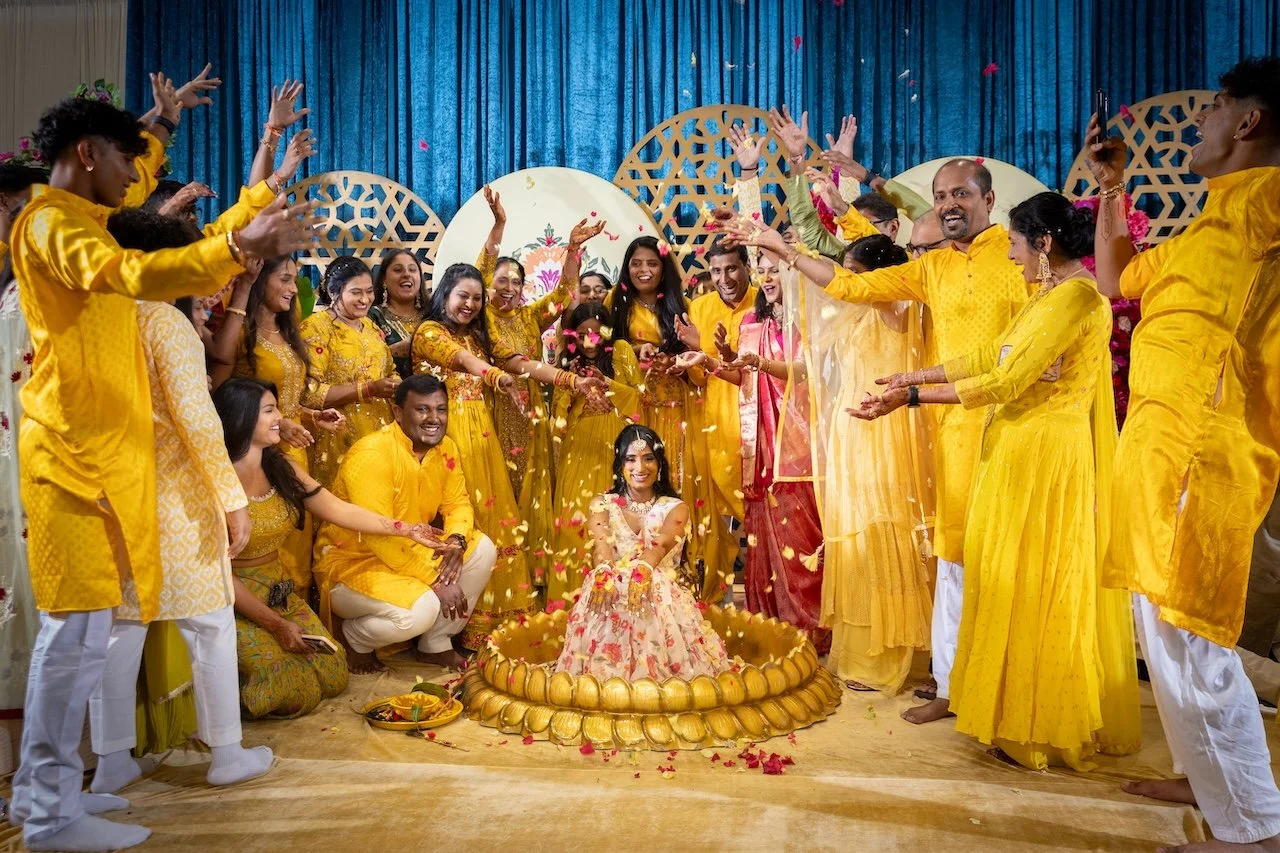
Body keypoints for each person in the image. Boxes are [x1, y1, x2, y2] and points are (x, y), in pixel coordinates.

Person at [6, 91, 313, 852]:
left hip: (108, 469)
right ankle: (45, 813)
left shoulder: (89, 215)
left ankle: (58, 798)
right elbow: (135, 270)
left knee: (89, 639)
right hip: (72, 465)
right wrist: (241, 247)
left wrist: (166, 124)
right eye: (122, 158)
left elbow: (151, 213)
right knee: (72, 638)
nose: (135, 175)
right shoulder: (54, 227)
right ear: (86, 154)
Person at [727, 144, 1032, 724]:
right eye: (941, 196)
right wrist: (784, 248)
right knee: (951, 559)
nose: (947, 206)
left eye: (960, 195)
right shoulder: (931, 268)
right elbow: (849, 282)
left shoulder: (1014, 260)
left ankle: (1004, 680)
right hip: (940, 424)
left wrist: (844, 177)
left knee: (999, 556)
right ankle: (951, 682)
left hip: (1006, 422)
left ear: (990, 200)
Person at [852, 192, 1142, 769]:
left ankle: (1038, 728)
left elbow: (1005, 380)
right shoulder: (1049, 296)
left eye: (1014, 243)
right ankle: (1014, 720)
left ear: (1043, 242)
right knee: (1007, 584)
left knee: (1033, 587)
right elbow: (990, 353)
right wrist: (911, 373)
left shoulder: (1076, 298)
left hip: (1042, 460)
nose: (1009, 256)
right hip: (1015, 452)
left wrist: (908, 398)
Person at [1088, 56, 1280, 850]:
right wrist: (1110, 186)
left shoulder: (1267, 201)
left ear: (1246, 123)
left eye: (1213, 108)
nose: (1197, 126)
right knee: (1162, 627)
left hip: (1206, 453)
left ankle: (1257, 831)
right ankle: (1209, 780)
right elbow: (1115, 277)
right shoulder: (1207, 221)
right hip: (1160, 453)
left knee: (1192, 634)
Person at [77, 208, 281, 802]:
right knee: (209, 625)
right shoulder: (165, 324)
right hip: (176, 499)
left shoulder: (96, 317)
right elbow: (196, 421)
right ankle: (226, 753)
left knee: (121, 629)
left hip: (114, 496)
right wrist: (230, 499)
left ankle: (113, 760)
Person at [214, 378, 441, 716]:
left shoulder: (282, 466)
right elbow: (218, 572)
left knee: (333, 671)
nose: (282, 417)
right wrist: (276, 625)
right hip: (233, 599)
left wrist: (405, 529)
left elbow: (338, 509)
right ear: (241, 417)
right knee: (284, 680)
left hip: (277, 590)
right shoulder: (216, 480)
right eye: (270, 410)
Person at [411, 263, 604, 645]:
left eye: (475, 299)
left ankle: (477, 623)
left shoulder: (483, 338)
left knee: (492, 524)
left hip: (483, 434)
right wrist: (494, 376)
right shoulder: (430, 333)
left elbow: (521, 363)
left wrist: (572, 380)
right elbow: (462, 360)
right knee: (454, 526)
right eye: (462, 296)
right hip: (446, 437)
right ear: (445, 294)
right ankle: (434, 630)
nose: (468, 304)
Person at [674, 249, 829, 652]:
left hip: (797, 445)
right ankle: (772, 625)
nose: (769, 278)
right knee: (763, 534)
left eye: (774, 270)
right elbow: (742, 376)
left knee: (800, 536)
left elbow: (812, 374)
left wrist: (758, 362)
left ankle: (809, 630)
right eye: (764, 271)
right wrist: (709, 360)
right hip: (758, 445)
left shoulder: (810, 320)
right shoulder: (752, 321)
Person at [314, 374, 498, 673]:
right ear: (398, 412)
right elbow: (378, 536)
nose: (433, 419)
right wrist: (438, 581)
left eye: (440, 409)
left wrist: (456, 541)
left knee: (483, 550)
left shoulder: (446, 448)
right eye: (422, 409)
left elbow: (457, 504)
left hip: (412, 550)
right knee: (421, 609)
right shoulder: (372, 453)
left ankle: (435, 644)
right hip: (354, 562)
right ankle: (354, 639)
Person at [475, 194, 605, 589]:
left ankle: (529, 577)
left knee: (531, 492)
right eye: (502, 281)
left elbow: (566, 294)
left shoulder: (530, 316)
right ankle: (497, 581)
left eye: (517, 281)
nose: (510, 288)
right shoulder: (483, 319)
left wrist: (573, 249)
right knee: (498, 493)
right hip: (494, 409)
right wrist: (497, 228)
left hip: (531, 414)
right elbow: (479, 274)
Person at [607, 236, 735, 602]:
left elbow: (705, 366)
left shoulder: (687, 307)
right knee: (641, 487)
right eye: (636, 263)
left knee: (684, 489)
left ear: (664, 269)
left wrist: (687, 354)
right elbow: (601, 350)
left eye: (652, 263)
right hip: (636, 413)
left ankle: (690, 586)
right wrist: (634, 351)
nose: (644, 270)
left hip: (682, 413)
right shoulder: (615, 304)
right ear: (627, 268)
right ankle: (636, 577)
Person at [211, 255, 345, 589]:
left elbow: (286, 398)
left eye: (294, 279)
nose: (292, 288)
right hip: (255, 455)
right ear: (259, 280)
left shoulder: (288, 333)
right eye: (284, 279)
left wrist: (312, 416)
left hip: (293, 453)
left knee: (297, 547)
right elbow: (223, 397)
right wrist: (280, 424)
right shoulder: (241, 333)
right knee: (267, 543)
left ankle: (291, 614)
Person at [555, 425, 730, 680]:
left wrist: (644, 569)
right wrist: (604, 571)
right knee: (602, 579)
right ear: (620, 464)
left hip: (660, 602)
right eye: (631, 459)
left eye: (649, 458)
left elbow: (658, 548)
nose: (640, 468)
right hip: (612, 596)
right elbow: (601, 545)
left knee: (652, 581)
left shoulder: (676, 507)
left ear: (660, 464)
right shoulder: (602, 503)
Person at [548, 302, 643, 607]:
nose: (590, 340)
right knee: (575, 523)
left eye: (596, 332)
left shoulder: (621, 352)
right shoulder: (567, 365)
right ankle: (573, 606)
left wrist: (605, 383)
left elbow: (638, 397)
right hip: (579, 449)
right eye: (582, 333)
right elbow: (559, 421)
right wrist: (571, 386)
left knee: (617, 523)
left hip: (616, 446)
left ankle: (618, 607)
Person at [300, 255, 398, 488]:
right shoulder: (317, 328)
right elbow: (308, 392)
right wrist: (367, 389)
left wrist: (397, 385)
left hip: (380, 431)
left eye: (369, 291)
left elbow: (389, 369)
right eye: (356, 292)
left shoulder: (371, 327)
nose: (365, 299)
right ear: (334, 293)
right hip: (336, 433)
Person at [368, 248, 427, 378]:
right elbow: (364, 362)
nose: (406, 274)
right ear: (384, 279)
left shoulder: (433, 316)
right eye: (398, 270)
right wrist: (395, 351)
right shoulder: (371, 317)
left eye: (412, 270)